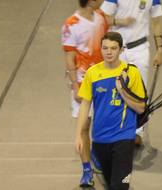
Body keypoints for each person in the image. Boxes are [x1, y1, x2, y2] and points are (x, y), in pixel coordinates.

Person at [75, 32, 146, 190]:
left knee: (119, 187)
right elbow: (85, 105)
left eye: (113, 48)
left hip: (123, 138)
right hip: (100, 140)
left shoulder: (131, 73)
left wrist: (123, 92)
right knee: (110, 184)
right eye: (105, 48)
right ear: (100, 49)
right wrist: (78, 135)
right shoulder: (92, 73)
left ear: (121, 50)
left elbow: (141, 107)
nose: (109, 52)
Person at [100, 0, 162, 145]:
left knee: (139, 92)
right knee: (114, 90)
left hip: (140, 49)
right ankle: (114, 128)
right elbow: (102, 17)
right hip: (117, 49)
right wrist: (120, 21)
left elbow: (156, 21)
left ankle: (137, 131)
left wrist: (160, 49)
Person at [61, 0, 107, 187]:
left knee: (101, 125)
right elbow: (69, 58)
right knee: (84, 127)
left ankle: (95, 152)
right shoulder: (71, 24)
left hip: (103, 81)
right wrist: (75, 87)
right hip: (83, 82)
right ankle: (87, 169)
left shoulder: (101, 17)